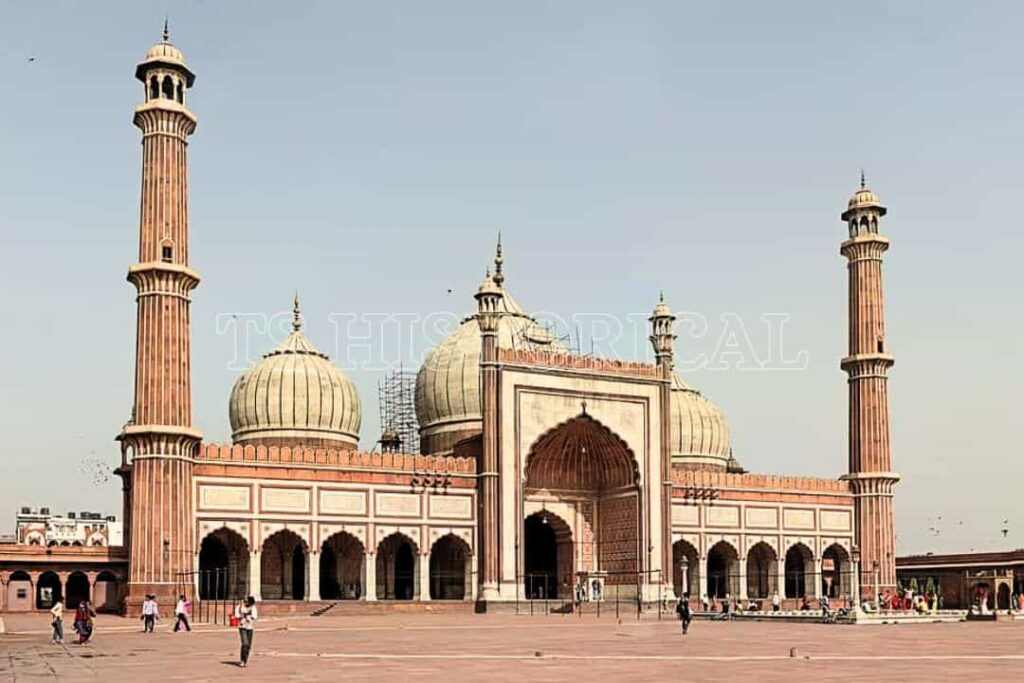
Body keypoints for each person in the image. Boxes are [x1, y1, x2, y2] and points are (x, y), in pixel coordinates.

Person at [236, 596, 258, 668]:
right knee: (245, 643)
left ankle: (245, 660)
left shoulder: (252, 608)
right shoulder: (239, 607)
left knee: (248, 645)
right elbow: (237, 615)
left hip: (250, 627)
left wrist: (249, 617)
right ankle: (242, 660)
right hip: (242, 627)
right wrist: (243, 616)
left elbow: (254, 616)